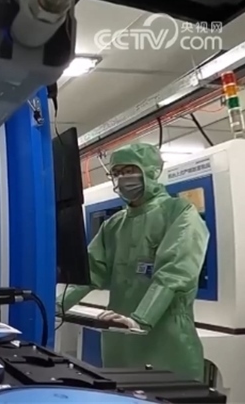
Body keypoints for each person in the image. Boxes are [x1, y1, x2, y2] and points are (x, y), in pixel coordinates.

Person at [58, 143, 209, 381]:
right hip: (120, 332)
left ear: (150, 171)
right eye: (117, 173)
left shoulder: (179, 212)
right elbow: (90, 271)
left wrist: (141, 319)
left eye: (129, 170)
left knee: (167, 393)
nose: (122, 179)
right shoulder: (114, 225)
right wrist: (56, 306)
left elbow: (174, 273)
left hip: (165, 336)